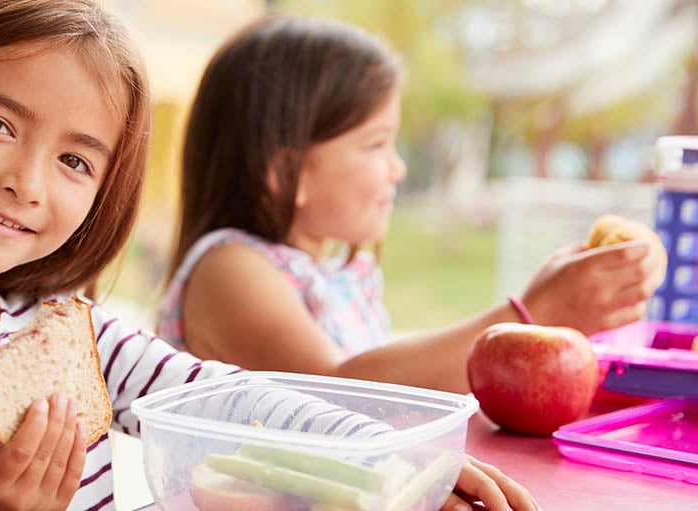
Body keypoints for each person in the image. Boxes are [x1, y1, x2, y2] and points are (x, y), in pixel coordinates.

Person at [0, 2, 536, 510]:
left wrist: (383, 456)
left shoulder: (80, 337)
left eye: (75, 160)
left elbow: (226, 400)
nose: (26, 181)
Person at [157, 14, 663, 395]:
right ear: (283, 171)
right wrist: (533, 314)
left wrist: (549, 317)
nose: (397, 168)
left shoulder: (332, 273)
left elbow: (404, 375)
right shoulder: (228, 269)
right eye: (377, 144)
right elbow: (343, 392)